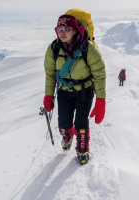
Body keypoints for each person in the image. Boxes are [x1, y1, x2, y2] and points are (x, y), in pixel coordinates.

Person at [43, 14, 106, 165]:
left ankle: (82, 150)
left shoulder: (88, 48)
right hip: (64, 92)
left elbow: (100, 74)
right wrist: (48, 96)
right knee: (64, 123)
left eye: (66, 29)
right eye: (59, 29)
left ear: (75, 30)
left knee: (81, 123)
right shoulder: (54, 48)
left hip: (85, 92)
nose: (62, 32)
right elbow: (50, 74)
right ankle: (67, 136)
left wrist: (101, 100)